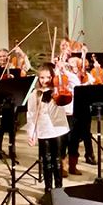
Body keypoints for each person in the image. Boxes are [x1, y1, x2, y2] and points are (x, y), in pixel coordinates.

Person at [27, 63, 69, 196]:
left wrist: (61, 72)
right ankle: (48, 190)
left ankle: (59, 189)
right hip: (43, 129)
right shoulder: (35, 94)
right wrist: (31, 133)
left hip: (58, 129)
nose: (45, 81)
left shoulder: (58, 89)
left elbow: (67, 98)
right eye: (42, 78)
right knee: (46, 161)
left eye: (48, 77)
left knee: (57, 160)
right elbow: (31, 114)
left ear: (53, 77)